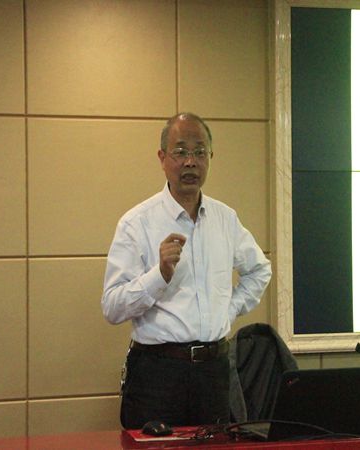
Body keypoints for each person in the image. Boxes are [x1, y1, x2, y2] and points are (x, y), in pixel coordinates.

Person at [101, 112, 272, 429]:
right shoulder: (137, 223)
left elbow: (259, 271)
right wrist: (160, 275)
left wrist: (227, 310)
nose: (190, 162)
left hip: (214, 372)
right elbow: (112, 306)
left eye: (199, 152)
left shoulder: (224, 218)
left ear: (210, 157)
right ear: (162, 158)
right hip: (158, 374)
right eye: (180, 152)